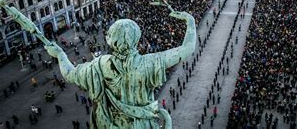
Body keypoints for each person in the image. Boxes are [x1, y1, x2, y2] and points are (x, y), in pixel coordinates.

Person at [44, 11, 197, 128]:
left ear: (110, 39)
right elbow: (187, 48)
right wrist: (190, 21)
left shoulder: (99, 65)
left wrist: (60, 54)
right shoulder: (149, 62)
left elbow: (69, 74)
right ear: (137, 38)